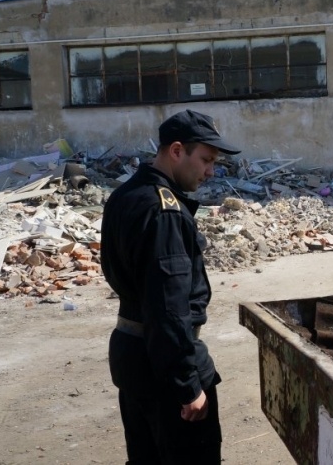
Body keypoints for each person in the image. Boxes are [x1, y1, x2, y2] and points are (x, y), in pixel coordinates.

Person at [101, 109, 241, 464]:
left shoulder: (125, 195)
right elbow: (168, 307)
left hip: (132, 356)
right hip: (164, 368)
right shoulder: (165, 211)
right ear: (177, 151)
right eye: (206, 160)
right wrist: (187, 385)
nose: (211, 171)